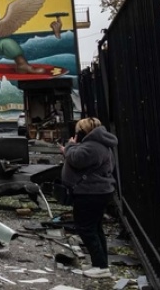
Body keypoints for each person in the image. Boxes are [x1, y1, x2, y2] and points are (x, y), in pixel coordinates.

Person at [60, 117, 118, 279]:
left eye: (78, 130)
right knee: (95, 228)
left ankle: (100, 266)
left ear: (83, 131)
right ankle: (101, 264)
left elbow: (77, 159)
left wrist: (69, 146)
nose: (76, 133)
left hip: (90, 193)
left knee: (85, 228)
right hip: (96, 192)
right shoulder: (99, 144)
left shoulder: (92, 146)